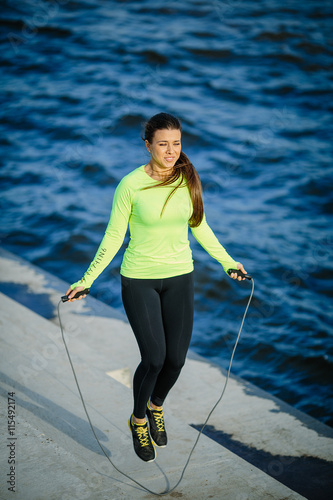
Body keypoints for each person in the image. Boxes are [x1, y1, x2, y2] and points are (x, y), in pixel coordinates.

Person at [65, 112, 247, 463]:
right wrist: (86, 279)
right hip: (139, 279)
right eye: (162, 144)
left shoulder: (188, 178)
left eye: (176, 144)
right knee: (154, 358)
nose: (170, 151)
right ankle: (137, 421)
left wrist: (228, 262)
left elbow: (201, 226)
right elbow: (114, 236)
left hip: (180, 276)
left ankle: (155, 406)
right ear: (147, 144)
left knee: (176, 360)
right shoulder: (129, 185)